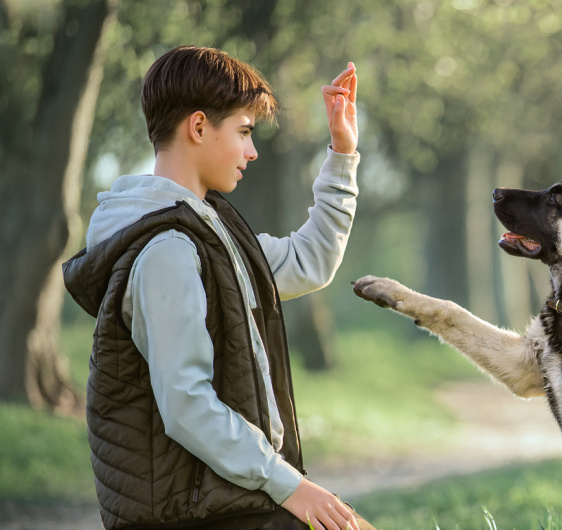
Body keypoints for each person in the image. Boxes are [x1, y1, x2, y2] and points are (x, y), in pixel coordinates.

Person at [62, 46, 372, 530]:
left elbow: (307, 262)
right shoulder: (166, 248)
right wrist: (290, 485)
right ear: (199, 127)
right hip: (186, 513)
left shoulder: (210, 233)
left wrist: (342, 153)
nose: (252, 150)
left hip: (219, 499)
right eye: (245, 132)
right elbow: (186, 403)